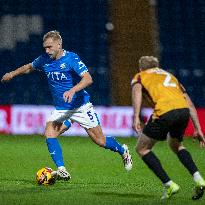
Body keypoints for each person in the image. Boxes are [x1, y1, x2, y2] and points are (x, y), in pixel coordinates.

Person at [1, 30, 132, 180]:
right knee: (49, 133)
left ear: (59, 44)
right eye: (45, 47)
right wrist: (11, 74)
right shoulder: (44, 59)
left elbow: (88, 79)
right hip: (62, 109)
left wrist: (73, 90)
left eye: (50, 47)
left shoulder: (71, 58)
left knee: (100, 141)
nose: (47, 50)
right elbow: (29, 67)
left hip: (80, 106)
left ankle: (123, 151)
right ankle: (62, 169)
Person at [131, 56, 205, 200]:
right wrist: (198, 129)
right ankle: (199, 179)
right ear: (157, 66)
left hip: (164, 112)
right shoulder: (170, 77)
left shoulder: (140, 76)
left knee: (142, 148)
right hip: (183, 111)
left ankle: (169, 184)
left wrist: (136, 117)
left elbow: (137, 93)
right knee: (176, 145)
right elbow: (189, 103)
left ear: (141, 68)